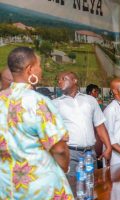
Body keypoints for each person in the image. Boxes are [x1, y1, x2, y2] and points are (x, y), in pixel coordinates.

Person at [0, 47, 73, 199]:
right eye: (39, 66)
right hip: (39, 187)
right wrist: (64, 169)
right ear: (30, 69)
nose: (41, 70)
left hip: (7, 186)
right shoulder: (37, 101)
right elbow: (59, 149)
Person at [53, 71, 112, 178]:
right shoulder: (55, 104)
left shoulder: (90, 100)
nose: (59, 81)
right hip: (70, 154)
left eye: (63, 79)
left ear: (75, 80)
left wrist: (108, 147)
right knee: (73, 188)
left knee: (92, 187)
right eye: (58, 80)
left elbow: (100, 126)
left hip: (90, 154)